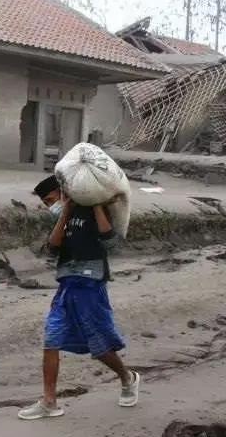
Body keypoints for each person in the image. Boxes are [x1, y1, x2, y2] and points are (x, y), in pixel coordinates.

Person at [18, 175, 139, 420]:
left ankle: (128, 378)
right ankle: (49, 402)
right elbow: (52, 248)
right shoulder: (64, 216)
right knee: (51, 339)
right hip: (66, 286)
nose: (49, 206)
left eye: (51, 200)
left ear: (63, 193)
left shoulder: (94, 210)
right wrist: (64, 214)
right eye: (45, 203)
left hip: (91, 285)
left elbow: (110, 241)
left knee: (100, 346)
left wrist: (95, 205)